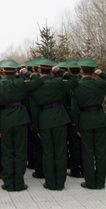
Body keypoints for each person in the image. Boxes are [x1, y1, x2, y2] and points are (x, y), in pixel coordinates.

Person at [0, 59, 43, 191]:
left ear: (2, 72)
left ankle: (8, 182)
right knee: (20, 153)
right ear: (15, 71)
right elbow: (38, 80)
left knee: (7, 153)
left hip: (5, 122)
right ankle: (19, 183)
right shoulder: (20, 83)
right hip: (20, 120)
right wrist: (27, 73)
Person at [29, 59, 78, 191]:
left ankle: (50, 182)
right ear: (51, 71)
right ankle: (60, 183)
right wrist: (60, 71)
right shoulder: (57, 82)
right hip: (59, 119)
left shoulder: (35, 85)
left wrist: (35, 127)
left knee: (48, 152)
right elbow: (74, 80)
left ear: (39, 71)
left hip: (44, 120)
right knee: (61, 151)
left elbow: (33, 109)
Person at [71, 58, 106, 190]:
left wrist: (76, 126)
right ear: (93, 72)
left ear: (81, 71)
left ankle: (90, 182)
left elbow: (74, 109)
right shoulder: (100, 84)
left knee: (87, 152)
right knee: (101, 152)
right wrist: (103, 74)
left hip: (85, 121)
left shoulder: (76, 87)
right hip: (99, 119)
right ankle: (100, 182)